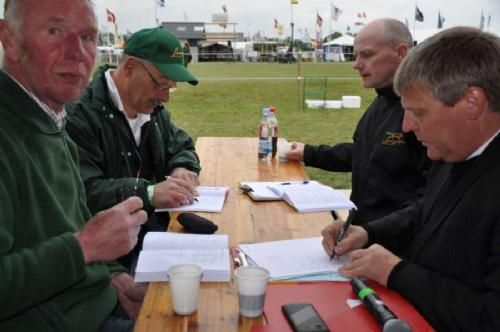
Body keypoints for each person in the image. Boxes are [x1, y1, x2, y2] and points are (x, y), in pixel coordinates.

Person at [322, 27, 500, 331]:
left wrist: (396, 271)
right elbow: (426, 213)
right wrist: (368, 232)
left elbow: (490, 316)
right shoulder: (452, 152)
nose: (406, 126)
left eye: (418, 112)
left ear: (472, 102)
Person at [0, 0, 148, 331]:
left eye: (86, 35)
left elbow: (75, 227)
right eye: (55, 31)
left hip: (101, 304)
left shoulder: (51, 122)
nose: (77, 52)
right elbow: (81, 241)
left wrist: (117, 280)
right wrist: (83, 247)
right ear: (9, 39)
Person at [66, 27, 201, 270]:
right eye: (161, 84)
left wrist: (183, 167)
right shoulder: (80, 115)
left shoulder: (155, 112)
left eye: (171, 87)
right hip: (107, 260)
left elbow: (181, 144)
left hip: (150, 238)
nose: (166, 97)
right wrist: (147, 193)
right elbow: (82, 192)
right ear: (130, 67)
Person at [286, 19, 430, 226]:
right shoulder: (382, 101)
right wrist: (309, 153)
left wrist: (372, 234)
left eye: (367, 55)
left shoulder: (426, 111)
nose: (356, 64)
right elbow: (364, 152)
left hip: (394, 249)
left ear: (400, 53)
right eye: (355, 56)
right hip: (363, 234)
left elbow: (430, 200)